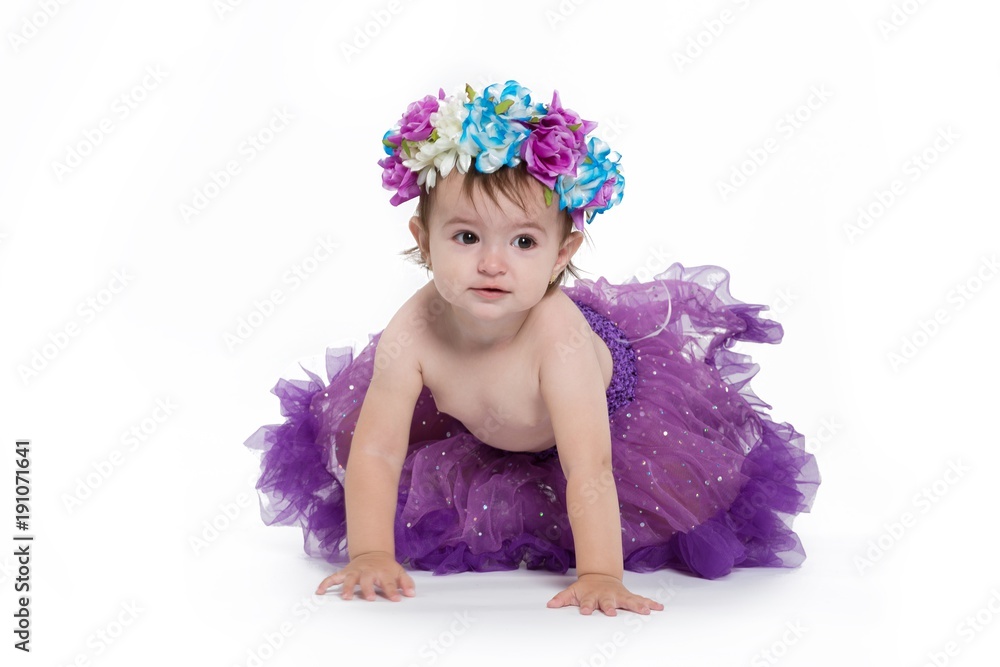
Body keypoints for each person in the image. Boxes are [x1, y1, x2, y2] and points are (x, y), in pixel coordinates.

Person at [243, 80, 820, 617]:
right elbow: (375, 452)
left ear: (562, 253)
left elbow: (588, 468)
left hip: (603, 424)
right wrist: (371, 552)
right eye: (466, 237)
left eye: (524, 242)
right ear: (423, 240)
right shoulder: (413, 330)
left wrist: (600, 573)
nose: (493, 263)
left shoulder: (558, 340)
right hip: (485, 421)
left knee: (658, 504)